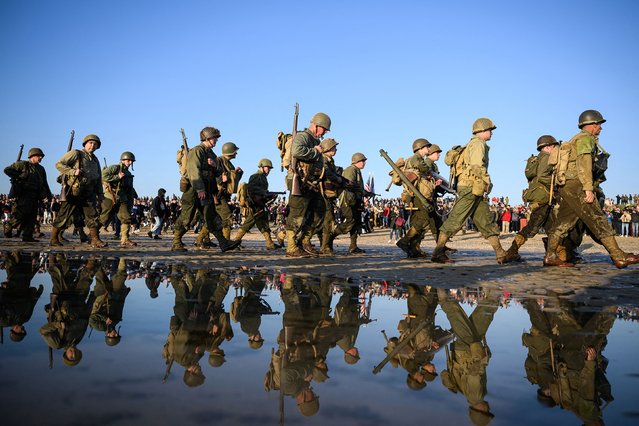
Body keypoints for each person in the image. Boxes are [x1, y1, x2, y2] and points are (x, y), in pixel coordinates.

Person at [543, 110, 639, 268]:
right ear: (593, 125)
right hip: (577, 184)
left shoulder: (574, 139)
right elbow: (584, 164)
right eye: (599, 124)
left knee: (563, 222)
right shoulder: (585, 139)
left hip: (567, 185)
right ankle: (618, 256)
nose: (600, 128)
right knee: (598, 219)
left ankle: (551, 256)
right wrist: (588, 188)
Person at [432, 118, 513, 264]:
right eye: (490, 130)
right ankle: (438, 253)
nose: (491, 133)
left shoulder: (473, 144)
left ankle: (501, 253)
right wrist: (487, 180)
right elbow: (477, 166)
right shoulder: (477, 144)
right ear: (482, 130)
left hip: (474, 188)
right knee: (455, 220)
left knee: (485, 221)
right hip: (470, 187)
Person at [171, 126, 241, 252]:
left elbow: (217, 174)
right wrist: (199, 189)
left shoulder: (211, 154)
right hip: (194, 190)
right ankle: (176, 242)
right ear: (208, 138)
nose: (216, 141)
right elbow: (193, 171)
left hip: (207, 190)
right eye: (215, 138)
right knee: (187, 217)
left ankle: (223, 242)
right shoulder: (197, 151)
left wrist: (215, 167)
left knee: (211, 217)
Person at [504, 136, 560, 261]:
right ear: (547, 147)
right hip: (543, 198)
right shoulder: (546, 158)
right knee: (531, 228)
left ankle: (552, 255)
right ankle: (511, 252)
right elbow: (542, 176)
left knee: (552, 228)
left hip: (541, 197)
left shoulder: (537, 159)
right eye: (554, 146)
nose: (556, 149)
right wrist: (557, 185)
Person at [285, 112, 331, 257]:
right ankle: (292, 247)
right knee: (297, 214)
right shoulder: (303, 136)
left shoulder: (313, 140)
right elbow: (297, 151)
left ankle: (305, 242)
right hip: (300, 180)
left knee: (318, 212)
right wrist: (315, 151)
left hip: (311, 182)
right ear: (317, 126)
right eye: (324, 129)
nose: (324, 133)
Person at [50, 134, 107, 248]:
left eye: (95, 144)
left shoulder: (95, 160)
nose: (93, 145)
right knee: (63, 216)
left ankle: (95, 239)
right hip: (74, 191)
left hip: (89, 192)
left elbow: (98, 178)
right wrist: (72, 171)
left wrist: (100, 194)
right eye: (90, 143)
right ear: (85, 144)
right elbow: (58, 164)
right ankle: (54, 238)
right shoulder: (76, 154)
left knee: (93, 216)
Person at [396, 138, 438, 258]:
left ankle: (414, 248)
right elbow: (421, 167)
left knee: (421, 222)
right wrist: (430, 173)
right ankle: (404, 242)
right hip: (417, 196)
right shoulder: (416, 158)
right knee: (422, 221)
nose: (429, 149)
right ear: (420, 148)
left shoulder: (418, 159)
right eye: (427, 147)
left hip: (419, 195)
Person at [3, 147, 52, 241]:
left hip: (36, 195)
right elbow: (7, 170)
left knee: (32, 216)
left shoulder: (41, 169)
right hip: (24, 194)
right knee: (22, 214)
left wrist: (48, 194)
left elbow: (45, 183)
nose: (41, 158)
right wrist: (19, 176)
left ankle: (27, 235)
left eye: (41, 156)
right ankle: (9, 225)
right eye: (39, 156)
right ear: (32, 156)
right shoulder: (23, 165)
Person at [233, 158, 282, 250]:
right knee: (248, 224)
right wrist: (264, 192)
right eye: (268, 167)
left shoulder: (262, 176)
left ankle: (270, 243)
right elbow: (251, 189)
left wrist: (269, 194)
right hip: (255, 204)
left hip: (259, 203)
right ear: (262, 166)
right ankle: (235, 242)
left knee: (263, 224)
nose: (269, 170)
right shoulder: (256, 176)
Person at [328, 152, 369, 254]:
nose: (364, 163)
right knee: (350, 222)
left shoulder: (357, 170)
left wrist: (365, 193)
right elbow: (348, 184)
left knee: (356, 223)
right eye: (363, 161)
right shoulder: (351, 170)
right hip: (347, 201)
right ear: (357, 161)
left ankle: (353, 246)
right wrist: (362, 191)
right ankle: (331, 235)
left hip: (354, 201)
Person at [100, 151, 139, 247]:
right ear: (123, 160)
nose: (129, 162)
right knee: (104, 218)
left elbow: (128, 187)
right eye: (128, 160)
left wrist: (134, 195)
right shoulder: (115, 168)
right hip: (110, 196)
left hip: (122, 198)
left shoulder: (128, 173)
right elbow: (103, 176)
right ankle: (93, 236)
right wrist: (117, 176)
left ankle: (125, 239)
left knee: (126, 217)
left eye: (131, 161)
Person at [216, 142, 243, 239]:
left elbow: (232, 182)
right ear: (230, 152)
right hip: (218, 194)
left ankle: (200, 240)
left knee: (215, 219)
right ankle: (226, 241)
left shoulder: (229, 164)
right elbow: (213, 176)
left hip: (225, 194)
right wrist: (220, 179)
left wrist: (237, 173)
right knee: (228, 218)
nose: (236, 153)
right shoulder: (218, 161)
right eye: (235, 151)